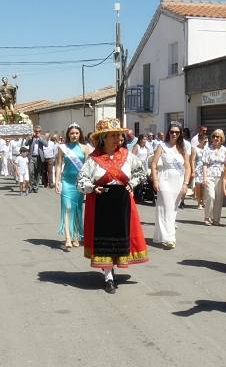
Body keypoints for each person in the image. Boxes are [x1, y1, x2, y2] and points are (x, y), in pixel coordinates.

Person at [77, 118, 148, 292]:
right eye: (113, 135)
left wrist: (133, 183)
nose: (118, 138)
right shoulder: (94, 159)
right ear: (104, 138)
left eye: (119, 135)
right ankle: (108, 276)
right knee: (105, 241)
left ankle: (112, 269)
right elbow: (80, 180)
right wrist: (92, 187)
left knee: (119, 239)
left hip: (122, 202)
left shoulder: (127, 156)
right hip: (102, 202)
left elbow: (142, 172)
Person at [150, 122, 191, 249]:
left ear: (180, 134)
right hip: (165, 179)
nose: (174, 134)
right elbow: (154, 164)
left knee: (172, 209)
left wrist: (185, 184)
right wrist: (155, 180)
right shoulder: (162, 146)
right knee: (166, 207)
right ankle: (170, 238)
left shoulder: (183, 149)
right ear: (168, 132)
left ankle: (159, 235)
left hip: (178, 181)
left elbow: (188, 168)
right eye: (172, 132)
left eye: (177, 132)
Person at [55, 123, 92, 250]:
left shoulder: (85, 148)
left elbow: (87, 167)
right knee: (67, 207)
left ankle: (76, 237)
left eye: (76, 133)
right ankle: (68, 237)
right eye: (72, 133)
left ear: (80, 134)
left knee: (77, 209)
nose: (74, 135)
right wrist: (57, 181)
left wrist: (87, 183)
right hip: (66, 181)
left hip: (79, 183)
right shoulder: (62, 147)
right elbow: (59, 165)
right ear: (68, 135)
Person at [203, 129, 226, 225]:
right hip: (210, 176)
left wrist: (225, 179)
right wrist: (205, 178)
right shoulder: (208, 149)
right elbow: (205, 164)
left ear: (221, 138)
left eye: (218, 136)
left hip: (220, 176)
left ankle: (216, 219)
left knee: (219, 199)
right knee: (211, 196)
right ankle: (207, 217)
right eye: (214, 136)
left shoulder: (225, 150)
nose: (215, 138)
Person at [191, 129, 209, 219]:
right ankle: (199, 202)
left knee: (204, 186)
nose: (205, 143)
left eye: (206, 141)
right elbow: (193, 160)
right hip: (198, 169)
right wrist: (193, 170)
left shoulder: (207, 149)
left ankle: (203, 201)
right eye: (204, 141)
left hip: (206, 169)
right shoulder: (195, 149)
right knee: (198, 185)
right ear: (199, 141)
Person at [24, 126, 46, 193]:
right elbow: (26, 144)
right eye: (36, 131)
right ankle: (30, 186)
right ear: (34, 131)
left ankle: (36, 186)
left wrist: (40, 139)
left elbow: (46, 144)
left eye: (39, 131)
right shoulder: (31, 137)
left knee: (37, 172)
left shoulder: (42, 137)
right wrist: (30, 139)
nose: (37, 133)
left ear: (40, 132)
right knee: (31, 172)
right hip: (31, 157)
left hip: (39, 157)